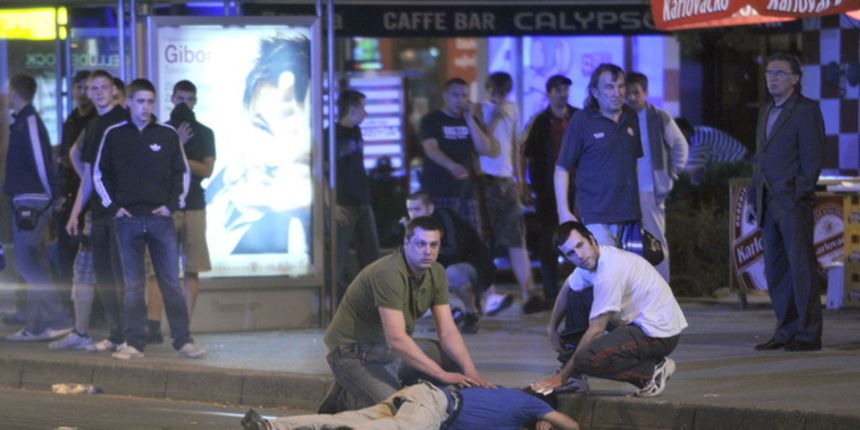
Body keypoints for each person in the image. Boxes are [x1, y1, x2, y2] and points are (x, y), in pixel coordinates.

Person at [318, 216, 494, 413]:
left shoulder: (436, 272)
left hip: (388, 353)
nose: (428, 251)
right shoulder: (389, 273)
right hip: (356, 355)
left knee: (453, 359)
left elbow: (448, 331)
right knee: (400, 411)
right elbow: (397, 338)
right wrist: (441, 375)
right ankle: (350, 392)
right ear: (406, 243)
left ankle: (354, 391)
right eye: (420, 244)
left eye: (433, 245)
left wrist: (470, 371)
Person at [93, 78, 205, 360]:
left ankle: (183, 340)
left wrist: (172, 205)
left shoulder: (166, 134)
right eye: (140, 101)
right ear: (129, 102)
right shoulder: (115, 134)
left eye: (150, 102)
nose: (145, 107)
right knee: (133, 286)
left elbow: (182, 173)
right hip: (128, 218)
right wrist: (115, 207)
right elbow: (99, 174)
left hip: (159, 218)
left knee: (170, 282)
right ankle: (135, 342)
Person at [530, 222, 687, 398]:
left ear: (591, 239)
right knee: (577, 294)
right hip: (636, 323)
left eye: (580, 245)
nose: (579, 255)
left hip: (659, 334)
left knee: (587, 358)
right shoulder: (591, 262)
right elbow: (569, 286)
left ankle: (651, 371)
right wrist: (551, 328)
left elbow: (596, 330)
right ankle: (575, 379)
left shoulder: (609, 271)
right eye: (571, 253)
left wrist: (561, 376)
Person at [205, 35, 311, 259]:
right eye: (262, 128)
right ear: (244, 113)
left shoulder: (294, 235)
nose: (270, 160)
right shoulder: (219, 186)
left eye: (293, 138)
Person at [750, 53, 825, 352]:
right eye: (769, 73)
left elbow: (813, 157)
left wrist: (799, 193)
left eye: (780, 73)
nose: (772, 78)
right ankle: (785, 330)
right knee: (777, 270)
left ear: (795, 78)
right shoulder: (767, 110)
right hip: (768, 201)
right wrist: (757, 195)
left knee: (801, 268)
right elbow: (761, 157)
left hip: (792, 200)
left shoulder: (806, 110)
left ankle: (808, 334)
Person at [145, 79, 216, 342]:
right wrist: (178, 144)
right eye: (180, 98)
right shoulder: (161, 130)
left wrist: (180, 152)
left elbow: (206, 170)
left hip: (195, 205)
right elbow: (155, 167)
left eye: (189, 99)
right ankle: (153, 325)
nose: (184, 104)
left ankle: (182, 327)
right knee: (158, 268)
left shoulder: (205, 133)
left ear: (194, 101)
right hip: (166, 206)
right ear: (172, 98)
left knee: (192, 267)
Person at [4, 73, 73, 341]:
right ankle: (37, 326)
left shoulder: (29, 121)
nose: (6, 95)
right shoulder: (23, 121)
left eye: (8, 90)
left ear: (15, 93)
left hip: (30, 201)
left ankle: (57, 319)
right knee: (35, 262)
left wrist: (52, 196)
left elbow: (41, 162)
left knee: (27, 264)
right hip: (29, 199)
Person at [63, 70, 128, 353]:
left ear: (114, 89)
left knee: (123, 275)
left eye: (104, 87)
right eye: (94, 88)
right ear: (88, 92)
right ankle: (117, 334)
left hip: (123, 212)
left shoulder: (124, 119)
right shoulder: (93, 126)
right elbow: (88, 174)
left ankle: (128, 335)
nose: (99, 92)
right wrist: (76, 211)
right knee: (105, 276)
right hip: (101, 211)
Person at [475, 72, 547, 314]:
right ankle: (488, 294)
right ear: (487, 89)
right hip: (484, 180)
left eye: (502, 92)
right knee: (485, 239)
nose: (498, 97)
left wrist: (520, 180)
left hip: (506, 180)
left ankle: (529, 293)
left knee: (517, 236)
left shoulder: (513, 109)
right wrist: (493, 119)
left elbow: (517, 147)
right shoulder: (478, 109)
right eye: (495, 91)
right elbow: (479, 144)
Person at [242, 381, 580, 430]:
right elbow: (573, 425)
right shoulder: (529, 405)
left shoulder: (505, 394)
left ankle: (273, 426)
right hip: (434, 408)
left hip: (420, 393)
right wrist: (547, 420)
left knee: (345, 416)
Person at [554, 63, 642, 247]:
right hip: (594, 215)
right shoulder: (581, 121)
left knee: (625, 274)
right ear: (595, 92)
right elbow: (562, 167)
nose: (616, 93)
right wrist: (563, 211)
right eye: (609, 87)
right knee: (604, 272)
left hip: (629, 215)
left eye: (620, 86)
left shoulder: (631, 117)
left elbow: (633, 164)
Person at [625, 72, 688, 281]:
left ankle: (662, 290)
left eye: (637, 92)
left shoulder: (658, 117)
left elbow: (680, 145)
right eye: (629, 93)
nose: (632, 97)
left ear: (646, 93)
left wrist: (671, 175)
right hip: (625, 190)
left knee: (655, 241)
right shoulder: (620, 117)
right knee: (627, 244)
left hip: (650, 189)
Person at [403, 191, 496, 333]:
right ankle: (452, 314)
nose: (413, 214)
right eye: (410, 209)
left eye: (417, 209)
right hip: (453, 266)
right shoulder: (420, 227)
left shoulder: (444, 217)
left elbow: (453, 251)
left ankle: (471, 314)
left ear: (429, 208)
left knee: (451, 273)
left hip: (476, 267)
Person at [523, 74, 578, 302]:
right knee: (548, 239)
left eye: (565, 89)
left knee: (578, 237)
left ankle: (578, 290)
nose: (562, 93)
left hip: (576, 186)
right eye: (557, 90)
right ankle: (550, 292)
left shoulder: (577, 117)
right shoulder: (540, 121)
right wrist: (524, 184)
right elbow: (526, 152)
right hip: (546, 188)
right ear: (549, 94)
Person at [419, 78, 497, 236]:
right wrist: (451, 165)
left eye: (464, 96)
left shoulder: (470, 120)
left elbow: (484, 148)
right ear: (445, 96)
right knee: (444, 239)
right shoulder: (431, 120)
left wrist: (470, 119)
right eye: (455, 95)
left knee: (472, 239)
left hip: (467, 191)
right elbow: (431, 149)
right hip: (439, 190)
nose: (460, 100)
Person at [333, 89, 380, 300]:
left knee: (371, 254)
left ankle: (369, 301)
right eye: (362, 108)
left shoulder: (356, 132)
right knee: (339, 257)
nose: (365, 113)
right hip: (344, 202)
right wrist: (331, 203)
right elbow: (324, 171)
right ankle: (340, 304)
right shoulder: (331, 134)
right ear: (351, 109)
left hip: (362, 200)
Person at [55, 70, 95, 286]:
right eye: (78, 87)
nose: (82, 92)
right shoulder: (71, 119)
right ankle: (69, 307)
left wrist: (67, 161)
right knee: (66, 253)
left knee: (86, 254)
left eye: (85, 88)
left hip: (87, 195)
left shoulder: (95, 121)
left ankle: (94, 312)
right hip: (69, 193)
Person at [676, 119, 749, 184]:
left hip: (741, 165)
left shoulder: (700, 140)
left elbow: (691, 170)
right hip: (737, 164)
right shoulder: (697, 133)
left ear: (683, 132)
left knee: (699, 177)